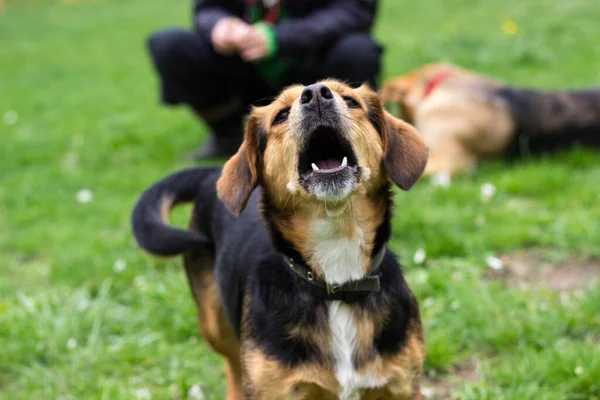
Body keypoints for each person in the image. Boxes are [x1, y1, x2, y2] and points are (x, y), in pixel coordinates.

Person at [148, 0, 382, 160]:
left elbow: (355, 10)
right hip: (242, 68)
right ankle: (226, 134)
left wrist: (281, 38)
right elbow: (208, 8)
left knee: (357, 51)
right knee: (170, 45)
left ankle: (342, 137)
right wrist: (219, 26)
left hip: (314, 71)